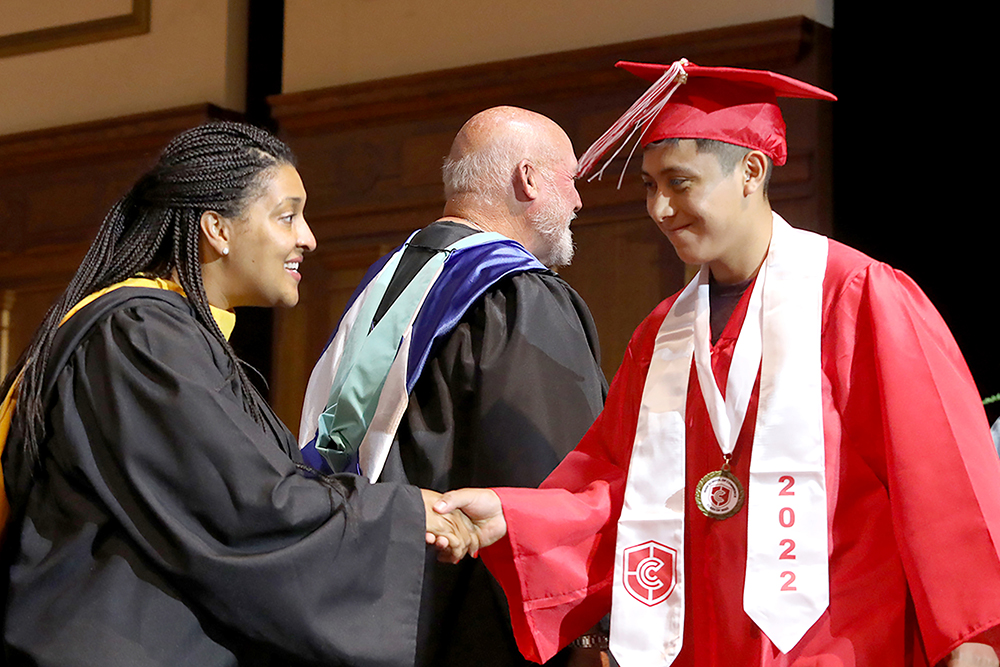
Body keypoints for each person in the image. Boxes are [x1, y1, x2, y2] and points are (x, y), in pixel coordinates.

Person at [434, 61, 1000, 666]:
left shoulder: (857, 295)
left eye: (680, 182)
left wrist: (970, 644)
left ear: (751, 171)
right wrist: (512, 513)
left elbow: (942, 485)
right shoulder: (663, 334)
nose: (659, 207)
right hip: (695, 643)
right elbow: (611, 487)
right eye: (650, 186)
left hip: (839, 645)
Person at [0, 121, 472, 666]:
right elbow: (244, 506)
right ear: (217, 230)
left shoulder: (173, 335)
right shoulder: (138, 333)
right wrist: (406, 517)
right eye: (287, 215)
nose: (308, 237)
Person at [298, 106, 608, 666]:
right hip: (478, 626)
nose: (580, 201)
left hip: (371, 610)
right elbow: (556, 480)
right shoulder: (516, 296)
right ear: (529, 179)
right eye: (571, 179)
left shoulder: (385, 283)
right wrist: (590, 636)